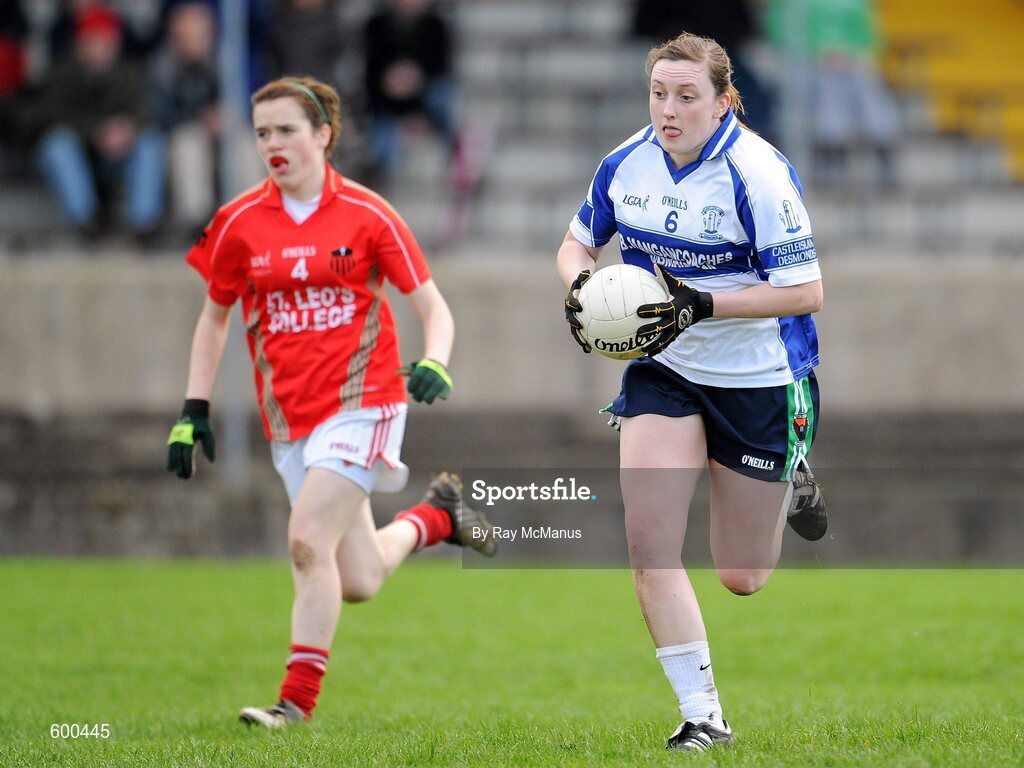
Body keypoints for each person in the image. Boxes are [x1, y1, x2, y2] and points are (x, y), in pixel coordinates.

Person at [165, 75, 495, 728]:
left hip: (364, 402)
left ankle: (294, 704)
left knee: (305, 540)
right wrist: (192, 409)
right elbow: (214, 318)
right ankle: (437, 518)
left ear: (324, 134)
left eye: (287, 130)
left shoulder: (369, 214)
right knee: (357, 580)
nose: (273, 144)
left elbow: (434, 307)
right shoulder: (237, 222)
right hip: (290, 417)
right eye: (262, 132)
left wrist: (435, 359)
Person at [559, 32, 826, 752]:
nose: (668, 110)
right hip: (665, 369)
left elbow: (807, 291)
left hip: (757, 378)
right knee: (648, 543)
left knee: (742, 575)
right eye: (658, 94)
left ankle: (794, 466)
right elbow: (577, 242)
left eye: (686, 96)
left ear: (723, 100)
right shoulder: (626, 162)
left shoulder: (759, 173)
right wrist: (583, 290)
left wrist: (703, 305)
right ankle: (703, 714)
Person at [35, 4, 165, 241]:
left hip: (119, 155)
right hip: (81, 156)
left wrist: (126, 130)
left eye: (104, 42)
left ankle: (144, 224)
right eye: (91, 42)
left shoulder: (129, 72)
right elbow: (49, 117)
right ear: (79, 44)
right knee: (56, 146)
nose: (98, 49)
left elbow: (147, 113)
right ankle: (86, 222)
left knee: (150, 142)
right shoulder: (62, 73)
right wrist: (96, 132)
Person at [149, 0, 220, 241]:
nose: (193, 40)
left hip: (221, 135)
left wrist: (224, 116)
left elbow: (248, 100)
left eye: (199, 33)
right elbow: (160, 114)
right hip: (180, 137)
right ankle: (197, 225)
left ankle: (248, 220)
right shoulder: (163, 66)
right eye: (186, 33)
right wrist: (199, 119)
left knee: (246, 141)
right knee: (188, 142)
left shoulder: (224, 60)